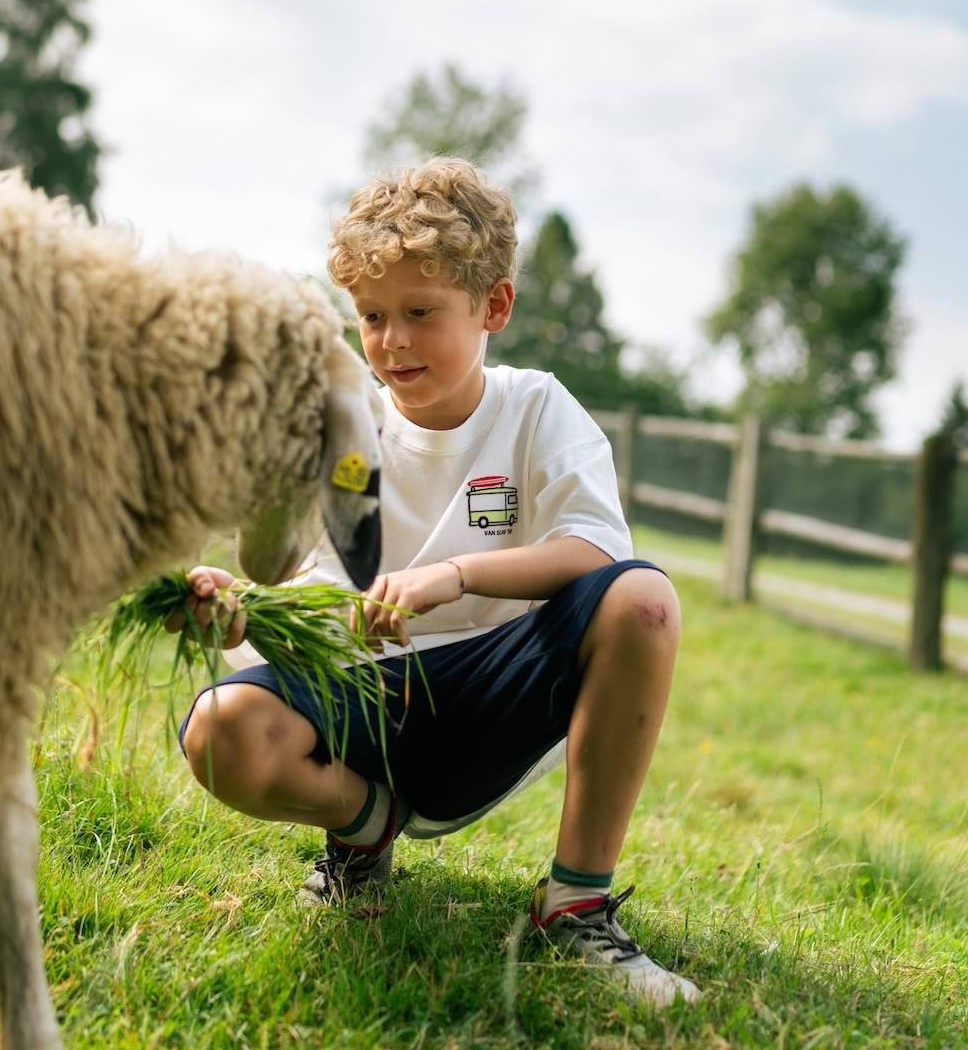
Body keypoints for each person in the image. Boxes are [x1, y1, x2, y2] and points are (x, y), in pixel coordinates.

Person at [174, 157, 697, 1005]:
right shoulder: (344, 431)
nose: (393, 340)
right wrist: (242, 614)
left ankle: (576, 902)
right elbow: (313, 592)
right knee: (219, 730)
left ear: (493, 305)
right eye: (373, 316)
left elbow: (596, 549)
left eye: (421, 312)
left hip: (489, 693)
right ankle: (363, 825)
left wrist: (451, 575)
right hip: (362, 700)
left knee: (645, 598)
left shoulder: (537, 410)